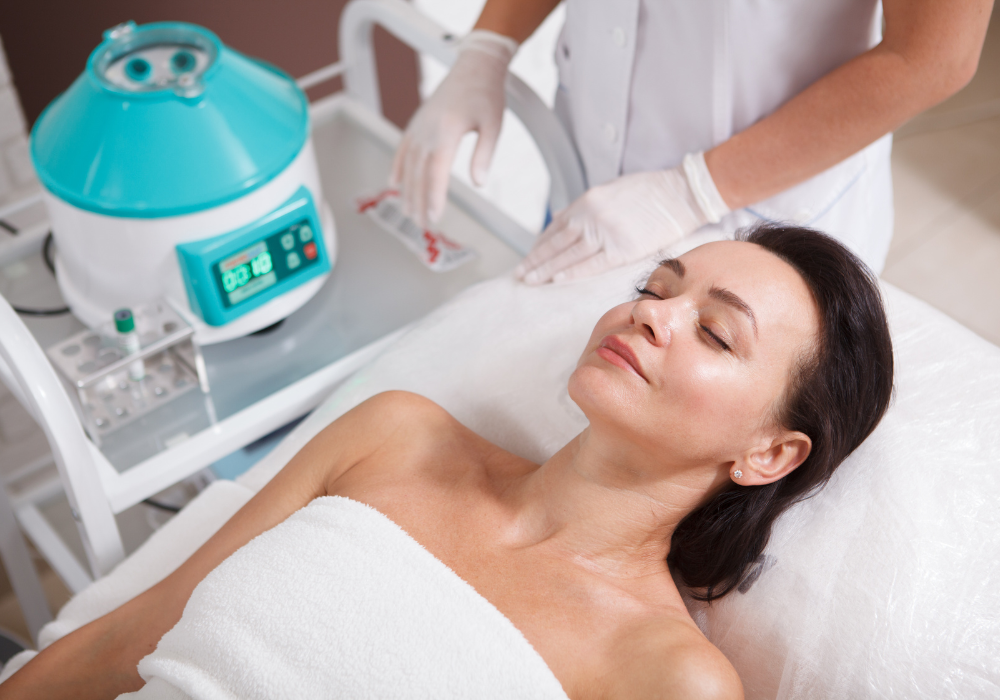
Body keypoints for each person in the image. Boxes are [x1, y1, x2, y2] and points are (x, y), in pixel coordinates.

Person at [1, 225, 893, 699]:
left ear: (769, 453)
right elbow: (130, 635)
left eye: (715, 332)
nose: (651, 315)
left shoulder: (666, 677)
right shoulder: (398, 436)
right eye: (655, 288)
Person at [391, 0, 993, 280]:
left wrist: (690, 192)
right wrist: (489, 43)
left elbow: (932, 57)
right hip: (588, 182)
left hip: (762, 220)